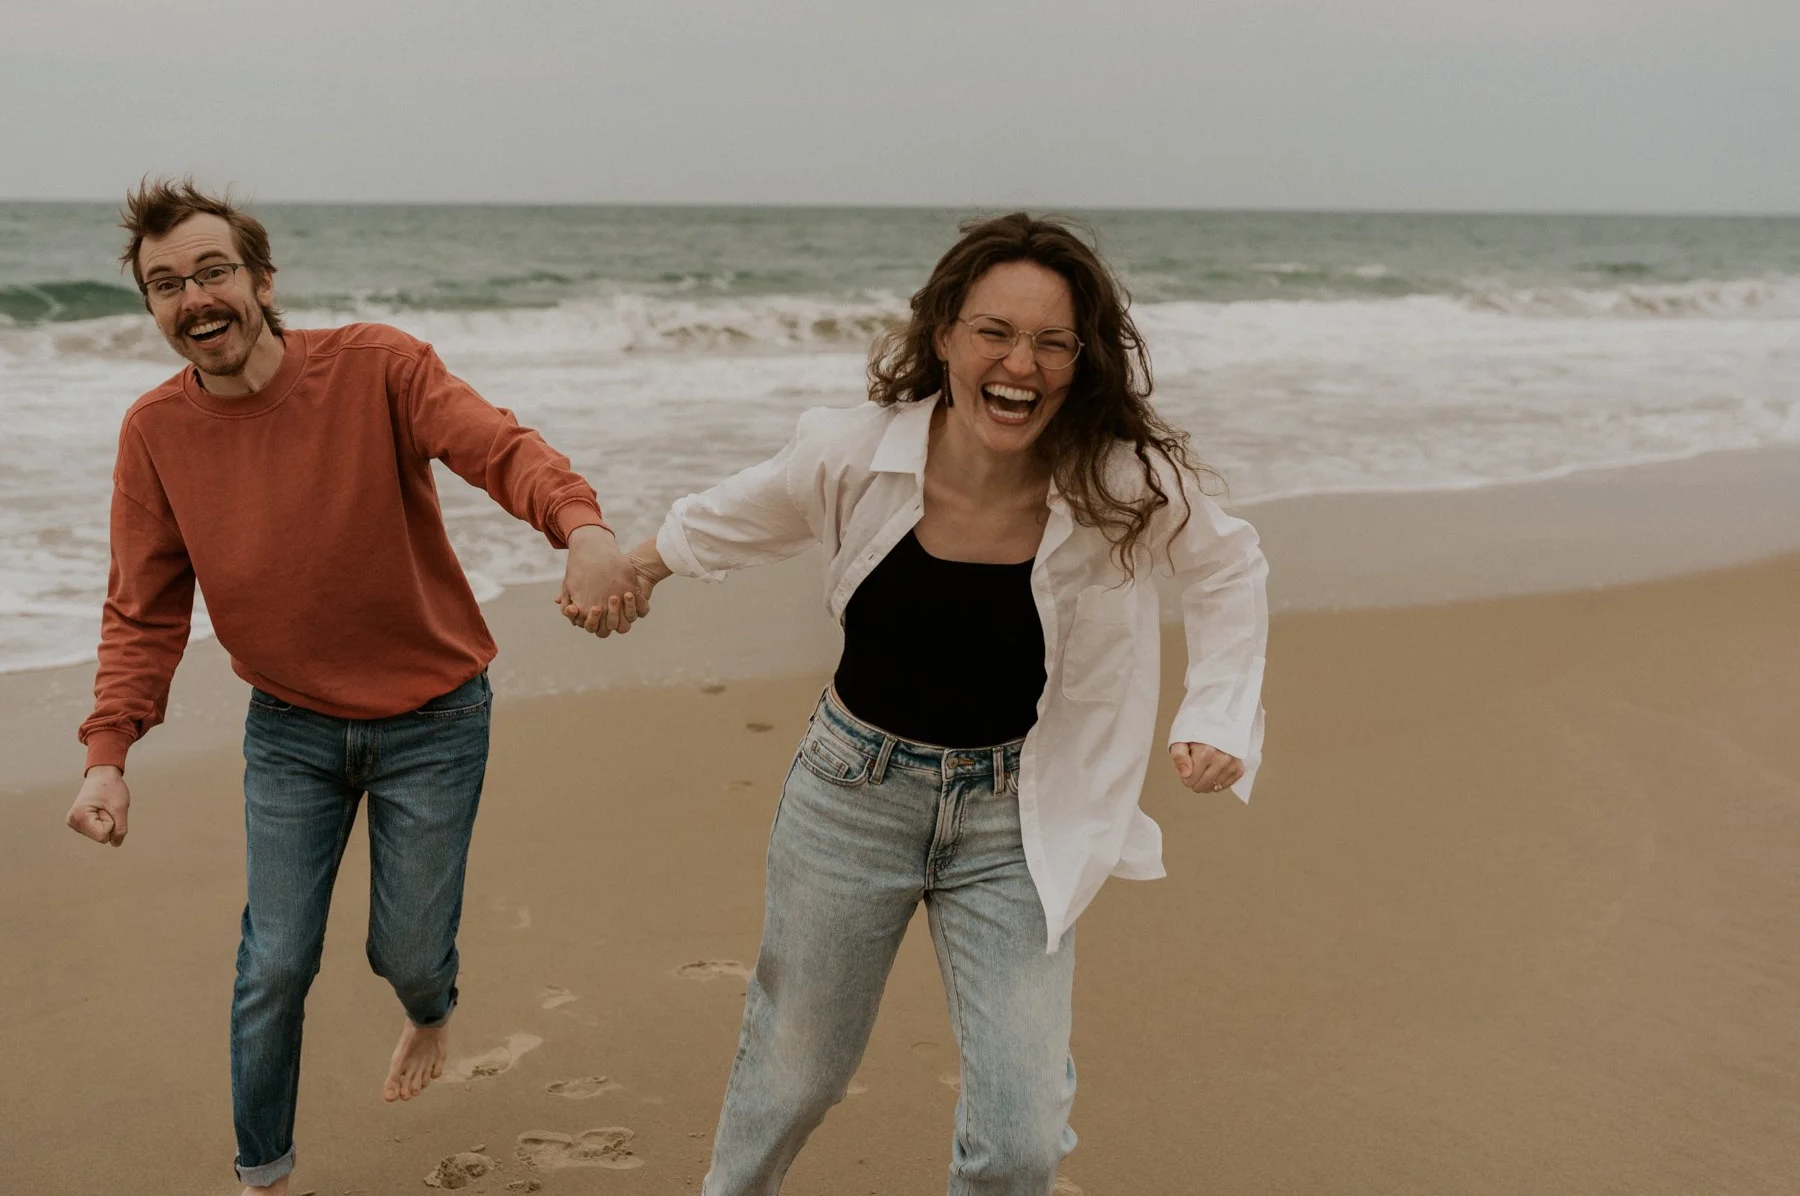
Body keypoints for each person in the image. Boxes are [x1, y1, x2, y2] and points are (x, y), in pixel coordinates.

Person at [606, 212, 1268, 1195]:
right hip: (851, 798)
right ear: (946, 335)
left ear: (1081, 361)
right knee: (794, 1078)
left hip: (1017, 818)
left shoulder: (1118, 480)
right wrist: (635, 569)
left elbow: (1225, 565)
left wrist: (1215, 715)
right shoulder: (856, 453)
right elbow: (743, 510)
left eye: (1052, 343)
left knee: (1021, 1142)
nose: (1021, 364)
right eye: (995, 332)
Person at [63, 178, 644, 1196]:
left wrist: (581, 527)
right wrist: (107, 756)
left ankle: (429, 1009)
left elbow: (499, 448)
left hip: (436, 722)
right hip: (290, 732)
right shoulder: (155, 433)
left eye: (212, 271)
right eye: (165, 284)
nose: (193, 298)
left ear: (262, 281)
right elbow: (143, 612)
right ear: (152, 306)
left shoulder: (378, 367)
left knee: (409, 956)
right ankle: (264, 1175)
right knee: (275, 963)